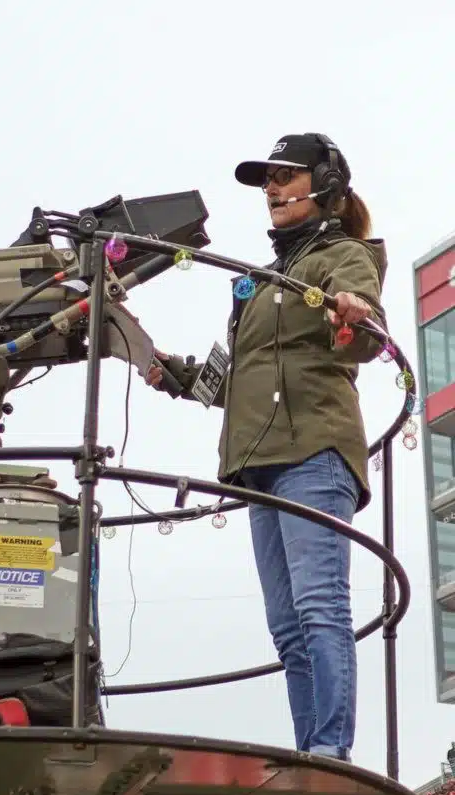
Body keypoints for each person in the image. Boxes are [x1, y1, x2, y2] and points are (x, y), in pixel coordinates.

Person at [145, 134, 387, 762]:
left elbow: (367, 333)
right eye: (266, 181)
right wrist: (172, 373)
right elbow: (232, 381)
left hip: (314, 450)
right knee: (287, 627)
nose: (272, 189)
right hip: (256, 465)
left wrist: (354, 315)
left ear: (326, 183)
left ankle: (330, 750)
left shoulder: (345, 255)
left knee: (318, 608)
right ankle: (310, 752)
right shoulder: (254, 285)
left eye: (285, 176)